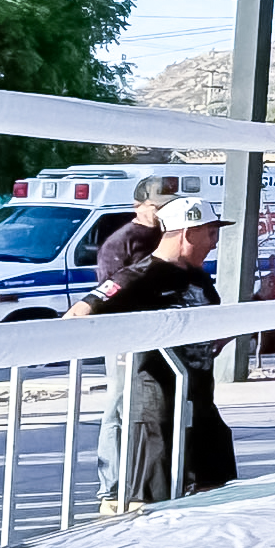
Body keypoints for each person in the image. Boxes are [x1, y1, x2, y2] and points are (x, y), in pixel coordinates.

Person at [68, 197, 237, 508]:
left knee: (217, 491)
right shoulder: (138, 276)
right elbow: (78, 316)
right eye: (211, 233)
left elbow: (210, 336)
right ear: (189, 232)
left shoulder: (198, 277)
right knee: (149, 505)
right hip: (156, 410)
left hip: (199, 402)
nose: (214, 243)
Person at [93, 174, 184, 510]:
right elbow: (108, 296)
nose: (162, 213)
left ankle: (147, 481)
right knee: (117, 408)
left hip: (164, 335)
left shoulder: (171, 236)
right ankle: (111, 487)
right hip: (125, 337)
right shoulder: (121, 243)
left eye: (168, 206)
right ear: (137, 206)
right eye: (155, 206)